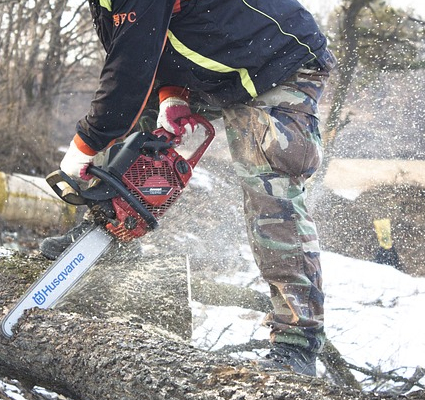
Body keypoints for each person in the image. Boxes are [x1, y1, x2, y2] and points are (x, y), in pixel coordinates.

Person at [40, 0, 337, 377]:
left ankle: (298, 341)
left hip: (278, 61)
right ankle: (111, 229)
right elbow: (152, 50)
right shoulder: (104, 5)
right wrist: (172, 97)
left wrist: (83, 146)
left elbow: (127, 76)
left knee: (268, 186)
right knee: (140, 122)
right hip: (221, 68)